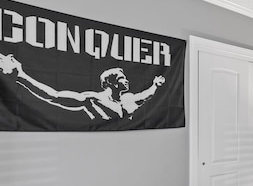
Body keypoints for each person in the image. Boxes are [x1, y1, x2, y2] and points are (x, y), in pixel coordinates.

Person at [0, 52, 164, 120]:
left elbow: (146, 95)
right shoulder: (93, 98)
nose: (127, 81)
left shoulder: (126, 100)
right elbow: (54, 96)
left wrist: (155, 84)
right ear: (111, 82)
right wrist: (21, 76)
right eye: (122, 78)